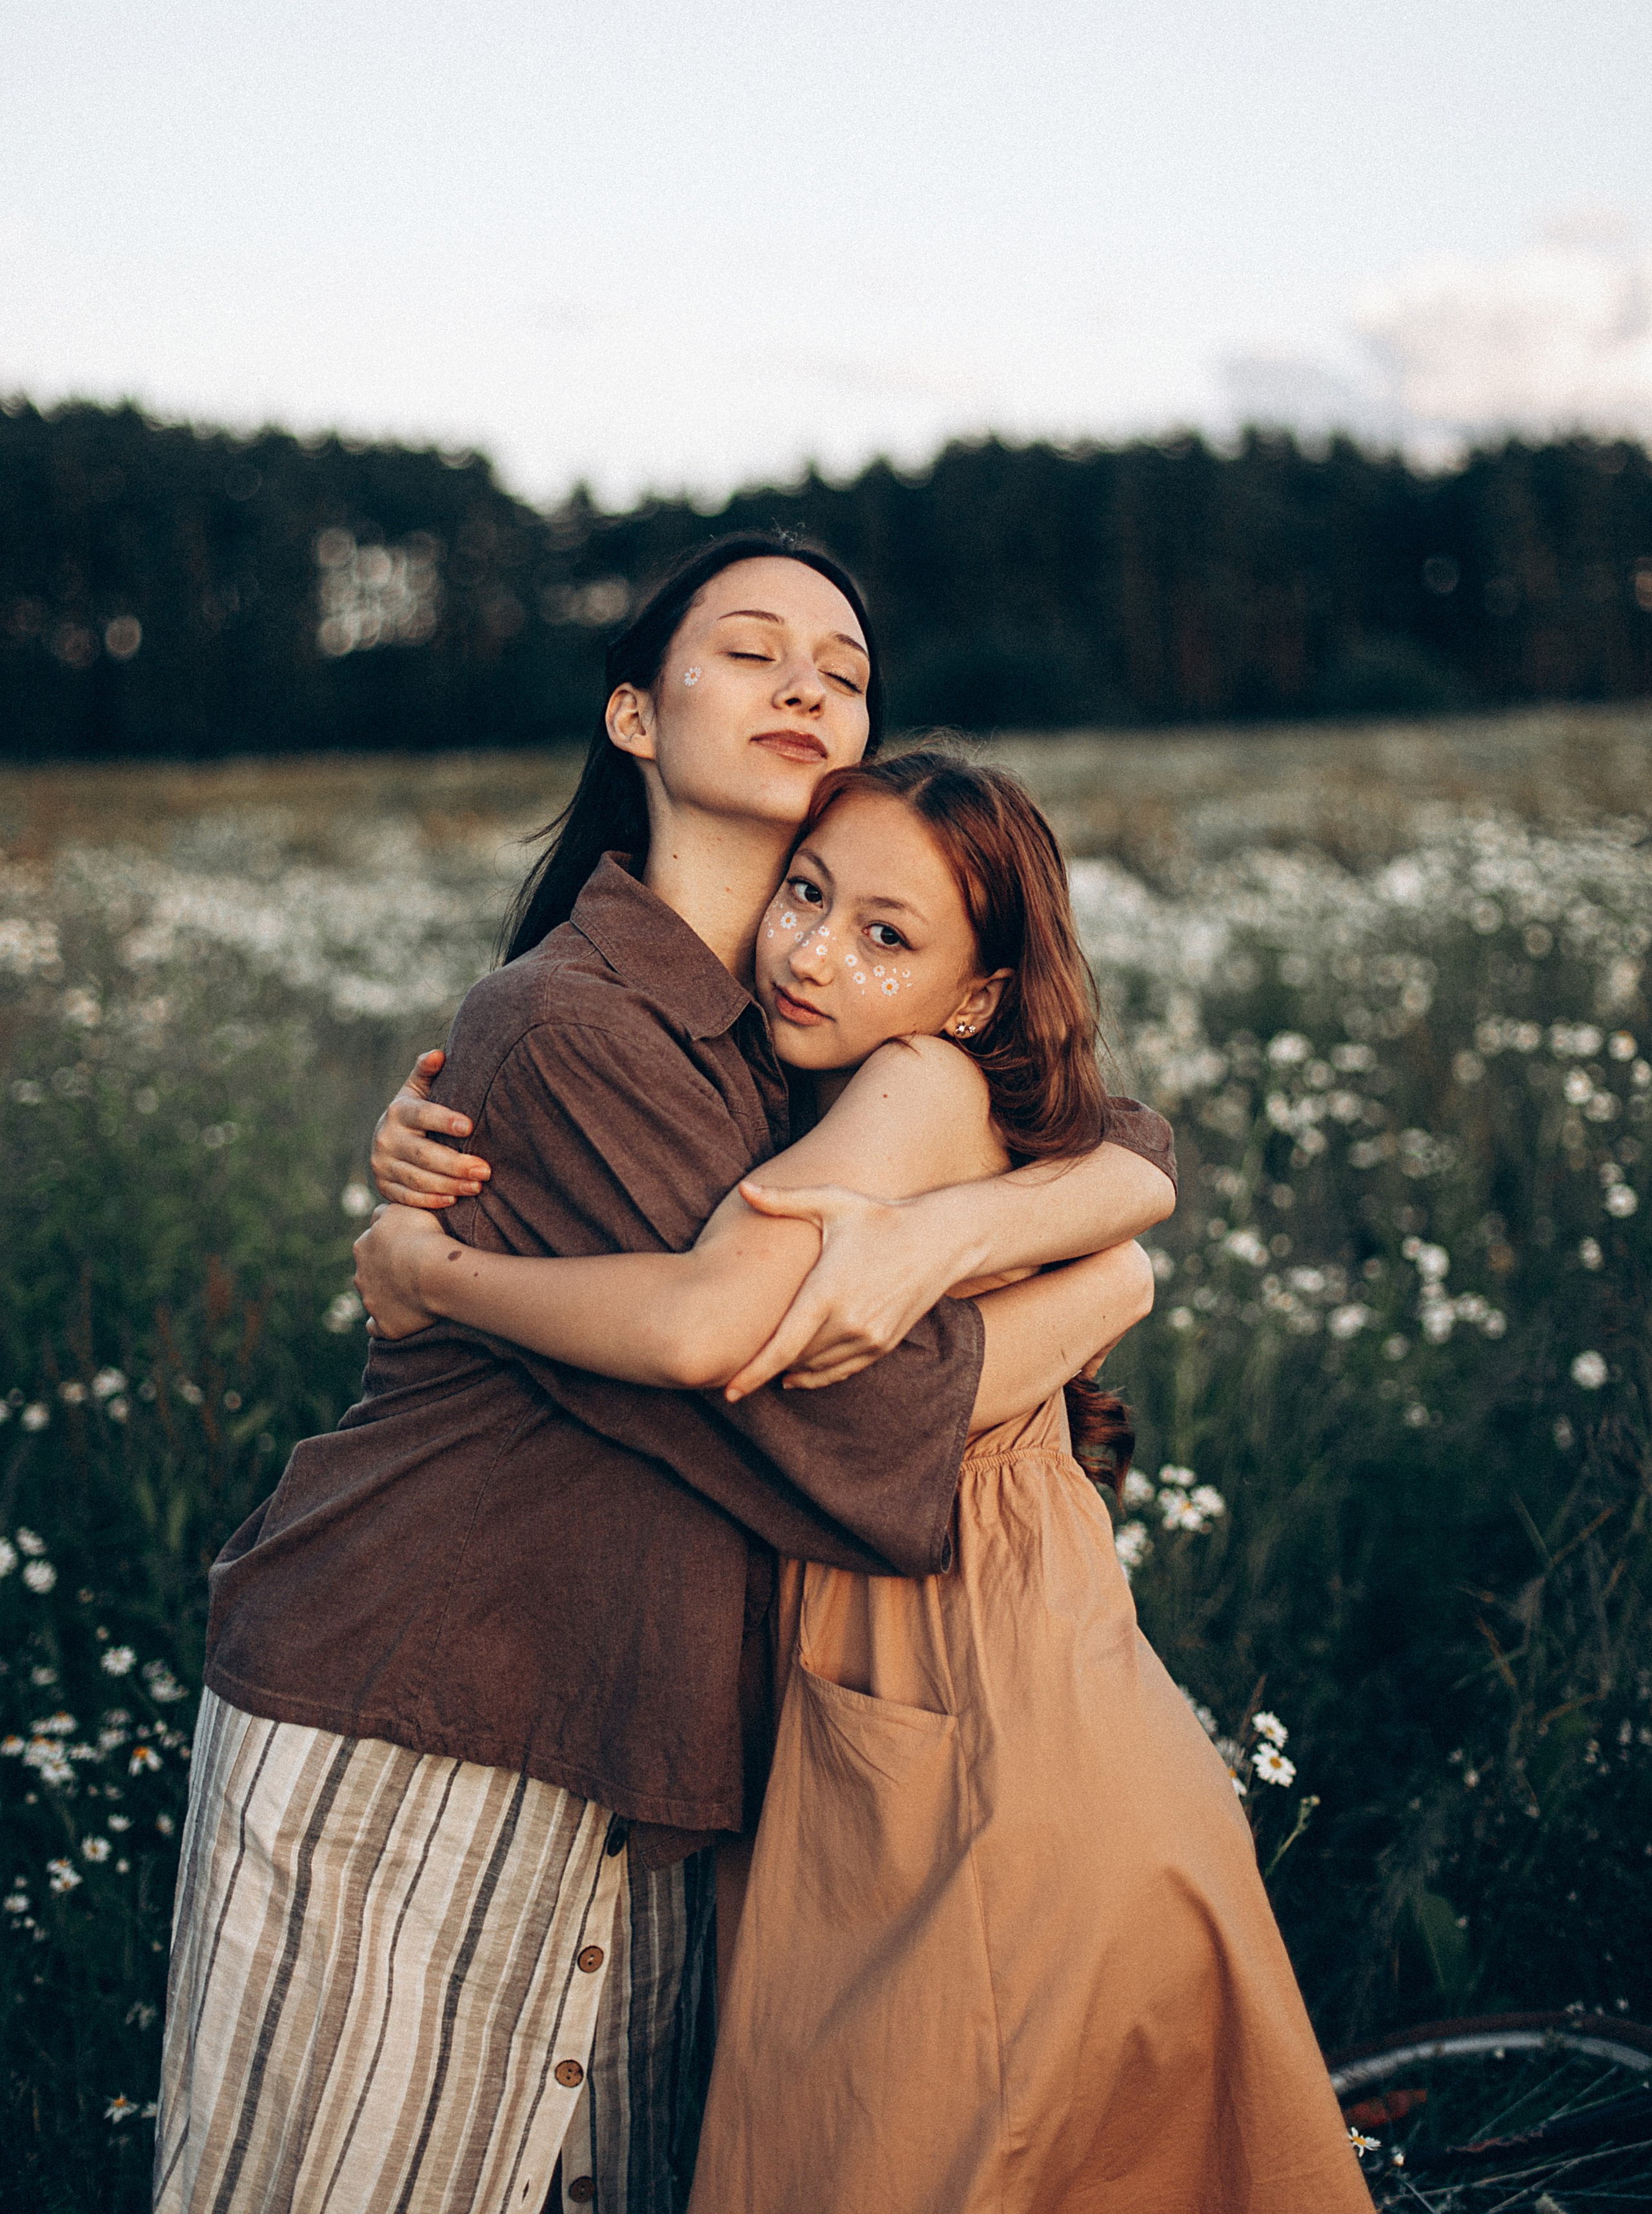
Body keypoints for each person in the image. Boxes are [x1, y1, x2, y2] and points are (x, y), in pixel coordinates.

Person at [155, 535, 1177, 2214]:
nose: (806, 688)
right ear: (635, 714)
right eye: (753, 652)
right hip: (426, 1733)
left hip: (665, 1779)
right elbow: (821, 1421)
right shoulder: (566, 1027)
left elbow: (1099, 1120)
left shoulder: (826, 1034)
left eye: (842, 671)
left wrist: (1080, 1226)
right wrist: (1090, 1285)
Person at [358, 751, 1373, 2214]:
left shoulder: (907, 1081)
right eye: (807, 895)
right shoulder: (835, 1082)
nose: (813, 952)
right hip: (930, 1704)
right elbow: (1129, 1164)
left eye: (885, 936)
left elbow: (707, 1328)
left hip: (973, 1725)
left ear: (972, 997)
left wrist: (438, 1278)